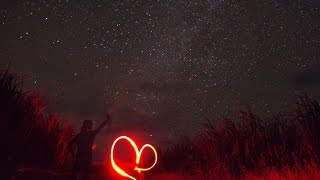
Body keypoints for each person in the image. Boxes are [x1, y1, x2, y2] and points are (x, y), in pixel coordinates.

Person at [68, 113, 111, 180]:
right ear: (87, 125)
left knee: (74, 176)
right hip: (86, 160)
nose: (92, 125)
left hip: (78, 160)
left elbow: (69, 145)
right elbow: (99, 128)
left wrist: (73, 155)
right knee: (85, 176)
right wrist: (107, 120)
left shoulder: (79, 135)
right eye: (90, 124)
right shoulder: (91, 135)